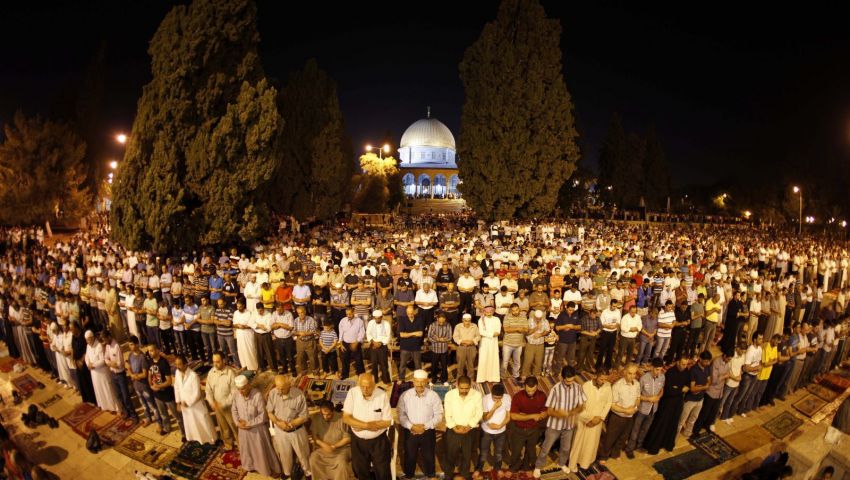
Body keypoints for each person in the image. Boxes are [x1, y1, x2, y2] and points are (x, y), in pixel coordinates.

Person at [533, 366, 585, 477]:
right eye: (567, 381)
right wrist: (560, 414)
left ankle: (561, 463)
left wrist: (570, 413)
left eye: (572, 380)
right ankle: (538, 466)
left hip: (569, 425)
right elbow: (549, 411)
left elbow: (581, 406)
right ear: (562, 377)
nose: (570, 383)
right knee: (546, 447)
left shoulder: (578, 388)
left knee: (566, 448)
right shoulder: (555, 390)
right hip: (554, 426)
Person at [342, 373, 392, 480]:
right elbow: (346, 418)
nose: (364, 389)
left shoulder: (382, 395)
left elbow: (387, 422)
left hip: (378, 442)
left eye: (368, 387)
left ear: (374, 385)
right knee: (361, 470)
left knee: (383, 471)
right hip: (358, 441)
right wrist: (366, 425)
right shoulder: (352, 393)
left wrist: (359, 425)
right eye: (362, 386)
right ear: (358, 384)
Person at [232, 374, 282, 478]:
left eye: (243, 389)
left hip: (257, 430)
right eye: (239, 389)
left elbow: (262, 416)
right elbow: (234, 410)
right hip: (243, 430)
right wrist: (237, 422)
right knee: (247, 450)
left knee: (261, 451)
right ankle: (251, 466)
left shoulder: (257, 395)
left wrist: (248, 424)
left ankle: (268, 469)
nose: (241, 392)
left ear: (248, 386)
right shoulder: (236, 394)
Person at [398, 369, 443, 479]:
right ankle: (409, 475)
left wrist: (424, 426)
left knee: (429, 456)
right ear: (413, 381)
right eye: (417, 381)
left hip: (427, 431)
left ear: (427, 381)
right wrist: (412, 426)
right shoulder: (405, 395)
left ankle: (430, 475)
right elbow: (401, 414)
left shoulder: (433, 395)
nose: (420, 384)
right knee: (409, 455)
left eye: (422, 381)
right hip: (410, 431)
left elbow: (439, 415)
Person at [267, 374, 312, 479]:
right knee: (284, 454)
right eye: (277, 387)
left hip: (297, 431)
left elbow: (304, 416)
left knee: (303, 454)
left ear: (289, 385)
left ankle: (308, 472)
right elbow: (269, 412)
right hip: (280, 431)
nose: (279, 391)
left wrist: (291, 424)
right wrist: (278, 423)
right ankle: (287, 472)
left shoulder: (299, 395)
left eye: (282, 388)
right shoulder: (273, 393)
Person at [643, 356, 691, 454]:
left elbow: (687, 385)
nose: (684, 366)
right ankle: (654, 446)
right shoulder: (670, 372)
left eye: (686, 364)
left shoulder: (686, 372)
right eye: (683, 364)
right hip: (667, 403)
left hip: (678, 403)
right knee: (661, 424)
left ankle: (667, 444)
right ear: (678, 362)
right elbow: (669, 390)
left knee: (673, 424)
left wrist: (678, 388)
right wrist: (680, 390)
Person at [568, 369, 612, 472]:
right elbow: (579, 405)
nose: (603, 382)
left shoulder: (607, 386)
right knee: (578, 443)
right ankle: (572, 464)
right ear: (596, 376)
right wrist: (590, 419)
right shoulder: (586, 386)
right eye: (601, 379)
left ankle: (585, 463)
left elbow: (608, 403)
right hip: (584, 420)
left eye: (605, 379)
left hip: (598, 420)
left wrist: (600, 418)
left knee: (591, 444)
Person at [599, 363, 641, 463]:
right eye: (630, 373)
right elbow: (612, 405)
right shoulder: (617, 385)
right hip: (617, 417)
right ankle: (603, 456)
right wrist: (626, 410)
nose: (632, 376)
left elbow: (638, 398)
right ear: (625, 372)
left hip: (630, 416)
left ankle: (615, 454)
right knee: (610, 438)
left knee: (623, 437)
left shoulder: (637, 384)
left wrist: (635, 407)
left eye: (634, 374)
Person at [443, 375, 483, 479]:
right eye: (462, 388)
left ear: (470, 386)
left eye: (466, 388)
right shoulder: (449, 395)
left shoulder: (477, 395)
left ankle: (465, 474)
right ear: (457, 385)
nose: (464, 391)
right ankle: (448, 474)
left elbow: (479, 413)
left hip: (469, 430)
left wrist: (469, 426)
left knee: (467, 453)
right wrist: (454, 427)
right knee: (450, 453)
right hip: (453, 429)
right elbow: (447, 413)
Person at [625, 357, 665, 458]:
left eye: (660, 370)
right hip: (642, 409)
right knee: (635, 430)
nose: (658, 372)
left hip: (653, 409)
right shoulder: (644, 378)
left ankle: (639, 446)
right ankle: (629, 449)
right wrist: (648, 399)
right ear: (652, 367)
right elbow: (637, 395)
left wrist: (658, 397)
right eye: (657, 369)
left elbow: (661, 390)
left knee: (645, 430)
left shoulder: (662, 377)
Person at [508, 376, 547, 475]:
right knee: (516, 450)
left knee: (530, 450)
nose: (530, 393)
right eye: (528, 390)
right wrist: (533, 415)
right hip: (519, 429)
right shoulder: (517, 397)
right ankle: (514, 467)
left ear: (537, 386)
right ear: (524, 386)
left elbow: (545, 411)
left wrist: (542, 414)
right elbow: (513, 416)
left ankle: (526, 467)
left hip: (534, 429)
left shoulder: (542, 395)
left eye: (533, 390)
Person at [174, 354, 217, 444]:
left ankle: (211, 440)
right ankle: (195, 439)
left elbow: (197, 393)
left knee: (202, 423)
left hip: (196, 405)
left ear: (186, 364)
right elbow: (176, 387)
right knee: (191, 425)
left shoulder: (193, 376)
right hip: (184, 405)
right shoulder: (177, 373)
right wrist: (178, 402)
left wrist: (188, 403)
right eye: (176, 364)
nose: (178, 367)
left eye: (180, 364)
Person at [147, 343, 186, 439]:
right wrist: (151, 385)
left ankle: (184, 433)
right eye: (149, 351)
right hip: (157, 395)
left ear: (157, 350)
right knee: (163, 414)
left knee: (177, 416)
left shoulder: (163, 363)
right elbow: (149, 374)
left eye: (151, 350)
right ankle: (167, 428)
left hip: (167, 395)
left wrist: (158, 386)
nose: (150, 353)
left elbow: (169, 381)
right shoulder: (150, 361)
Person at [309, 400, 354, 480]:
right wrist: (324, 445)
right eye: (323, 414)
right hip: (323, 449)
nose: (325, 417)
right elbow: (315, 437)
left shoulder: (342, 418)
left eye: (328, 414)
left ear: (333, 411)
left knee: (341, 462)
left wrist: (334, 446)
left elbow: (347, 439)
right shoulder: (317, 418)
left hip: (341, 449)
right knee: (314, 458)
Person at [102, 329, 138, 421]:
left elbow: (120, 364)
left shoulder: (116, 346)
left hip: (120, 374)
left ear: (109, 337)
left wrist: (111, 363)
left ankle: (134, 415)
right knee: (119, 396)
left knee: (126, 396)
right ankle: (126, 412)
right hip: (113, 374)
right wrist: (111, 363)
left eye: (105, 339)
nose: (105, 341)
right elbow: (105, 359)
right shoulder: (107, 346)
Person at [692, 350, 731, 436]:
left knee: (713, 412)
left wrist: (722, 376)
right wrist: (724, 376)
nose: (729, 361)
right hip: (711, 392)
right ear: (724, 356)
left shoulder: (727, 363)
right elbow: (714, 380)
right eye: (728, 358)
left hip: (720, 392)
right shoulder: (716, 362)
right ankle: (696, 430)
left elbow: (728, 374)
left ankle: (707, 426)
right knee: (704, 412)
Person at [205, 351, 238, 450]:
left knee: (235, 427)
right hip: (217, 406)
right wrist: (211, 402)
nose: (215, 364)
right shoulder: (211, 372)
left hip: (230, 407)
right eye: (214, 362)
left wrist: (223, 404)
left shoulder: (231, 373)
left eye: (218, 362)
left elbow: (234, 393)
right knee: (224, 428)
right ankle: (228, 445)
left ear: (224, 360)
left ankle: (242, 445)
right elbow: (208, 390)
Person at [84, 330, 121, 413]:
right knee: (99, 390)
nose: (88, 341)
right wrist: (88, 364)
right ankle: (105, 406)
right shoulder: (88, 346)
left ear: (92, 338)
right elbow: (86, 357)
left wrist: (93, 365)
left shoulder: (99, 345)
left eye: (89, 339)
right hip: (94, 373)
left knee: (107, 389)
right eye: (86, 340)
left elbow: (102, 360)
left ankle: (114, 407)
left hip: (102, 372)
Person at [477, 383, 511, 473]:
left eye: (499, 398)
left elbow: (508, 416)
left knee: (498, 452)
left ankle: (498, 468)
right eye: (495, 398)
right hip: (487, 431)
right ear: (491, 393)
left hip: (501, 431)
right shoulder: (485, 399)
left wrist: (500, 426)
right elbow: (485, 418)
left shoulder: (507, 398)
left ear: (503, 395)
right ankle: (479, 469)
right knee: (484, 452)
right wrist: (494, 408)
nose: (497, 400)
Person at [127, 335, 159, 426]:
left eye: (132, 344)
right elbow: (129, 367)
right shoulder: (130, 355)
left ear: (137, 344)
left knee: (151, 404)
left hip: (144, 385)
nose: (130, 346)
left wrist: (135, 376)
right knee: (143, 404)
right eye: (129, 344)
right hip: (136, 385)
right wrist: (132, 374)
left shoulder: (142, 357)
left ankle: (159, 422)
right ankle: (148, 418)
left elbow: (145, 374)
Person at [679, 351, 712, 438]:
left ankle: (687, 433)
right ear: (700, 359)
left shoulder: (707, 367)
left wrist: (701, 387)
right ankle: (673, 438)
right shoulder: (693, 370)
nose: (707, 363)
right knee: (682, 420)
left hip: (700, 398)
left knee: (693, 418)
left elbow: (709, 380)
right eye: (706, 361)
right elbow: (693, 389)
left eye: (708, 361)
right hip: (690, 400)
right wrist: (704, 387)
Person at [398, 304, 424, 381]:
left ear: (414, 312)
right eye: (408, 313)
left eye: (411, 313)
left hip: (416, 346)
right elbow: (402, 335)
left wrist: (408, 334)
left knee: (418, 365)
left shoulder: (419, 319)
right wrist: (414, 333)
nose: (410, 315)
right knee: (402, 365)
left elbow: (420, 333)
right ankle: (401, 379)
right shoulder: (402, 320)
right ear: (406, 313)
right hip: (405, 346)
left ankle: (418, 379)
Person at [477, 306, 501, 383]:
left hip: (494, 342)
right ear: (484, 312)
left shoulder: (497, 319)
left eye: (490, 311)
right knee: (483, 359)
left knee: (493, 358)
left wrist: (491, 334)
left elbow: (498, 331)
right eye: (487, 312)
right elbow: (481, 332)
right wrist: (491, 334)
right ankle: (482, 378)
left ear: (493, 311)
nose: (489, 313)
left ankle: (493, 378)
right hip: (484, 342)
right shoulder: (481, 320)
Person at [232, 299, 258, 371]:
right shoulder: (236, 313)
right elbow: (233, 324)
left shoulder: (249, 313)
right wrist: (238, 325)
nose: (238, 308)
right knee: (241, 350)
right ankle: (244, 365)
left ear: (243, 306)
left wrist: (244, 326)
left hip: (248, 334)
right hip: (240, 334)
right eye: (237, 307)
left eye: (240, 307)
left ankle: (253, 367)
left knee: (250, 350)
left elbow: (252, 325)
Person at [293, 305, 319, 376]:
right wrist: (299, 333)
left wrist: (305, 334)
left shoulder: (311, 319)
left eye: (301, 312)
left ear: (305, 312)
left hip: (310, 341)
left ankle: (316, 372)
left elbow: (313, 330)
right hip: (300, 342)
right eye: (299, 313)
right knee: (301, 358)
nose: (300, 314)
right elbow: (293, 331)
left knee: (313, 357)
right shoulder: (296, 320)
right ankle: (304, 371)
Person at [453, 313, 480, 379]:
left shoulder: (474, 326)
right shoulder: (458, 326)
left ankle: (471, 379)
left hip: (472, 347)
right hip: (461, 347)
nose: (467, 323)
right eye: (465, 321)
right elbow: (455, 337)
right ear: (462, 320)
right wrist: (463, 341)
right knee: (460, 364)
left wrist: (472, 341)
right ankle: (459, 379)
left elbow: (478, 336)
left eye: (469, 321)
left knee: (471, 364)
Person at [427, 312, 452, 384]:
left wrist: (441, 339)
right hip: (435, 350)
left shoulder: (448, 325)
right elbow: (429, 337)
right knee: (434, 366)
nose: (441, 323)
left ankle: (444, 380)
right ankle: (433, 379)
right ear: (437, 319)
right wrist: (438, 339)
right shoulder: (432, 325)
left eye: (443, 322)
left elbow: (449, 337)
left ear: (445, 320)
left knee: (444, 366)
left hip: (444, 350)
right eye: (440, 321)